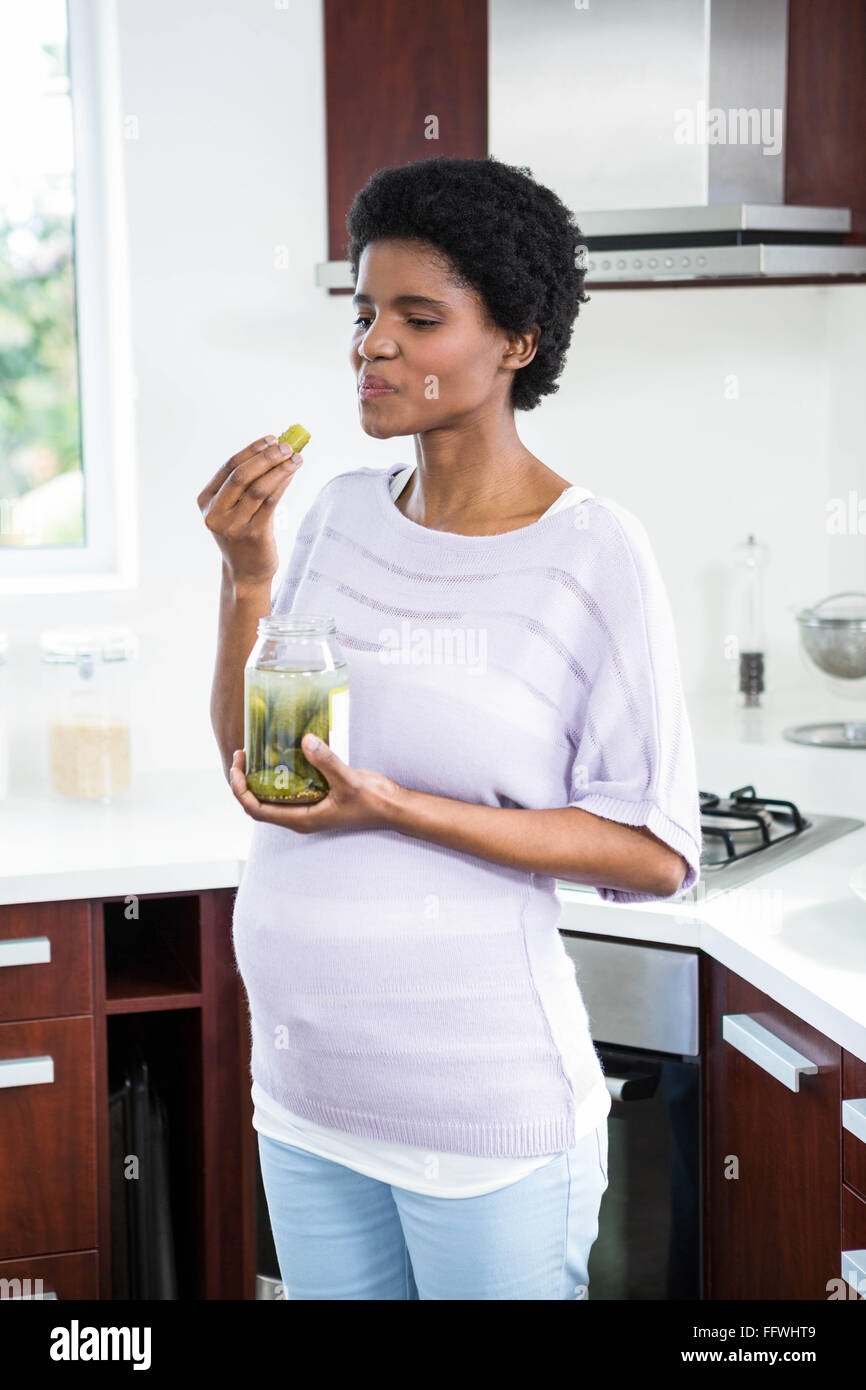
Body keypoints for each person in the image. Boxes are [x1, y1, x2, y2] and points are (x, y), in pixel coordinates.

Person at [198, 155, 703, 1301]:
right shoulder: (330, 515)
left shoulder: (591, 552)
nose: (372, 344)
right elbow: (255, 763)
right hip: (304, 1096)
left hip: (480, 1122)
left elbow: (654, 850)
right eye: (365, 311)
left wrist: (394, 805)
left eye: (416, 318)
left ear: (514, 342)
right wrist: (244, 581)